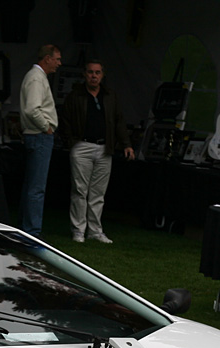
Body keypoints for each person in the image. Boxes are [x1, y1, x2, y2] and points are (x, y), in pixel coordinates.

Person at [61, 58, 134, 243]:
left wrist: (126, 144)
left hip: (104, 147)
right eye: (91, 72)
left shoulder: (110, 96)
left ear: (102, 75)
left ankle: (95, 231)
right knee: (80, 190)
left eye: (97, 72)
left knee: (98, 192)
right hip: (82, 145)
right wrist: (71, 143)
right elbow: (65, 120)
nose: (94, 76)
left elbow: (119, 121)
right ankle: (78, 230)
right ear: (85, 74)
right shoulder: (75, 96)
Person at [18, 44, 61, 237]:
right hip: (39, 135)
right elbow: (32, 109)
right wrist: (47, 127)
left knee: (31, 186)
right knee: (36, 187)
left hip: (35, 135)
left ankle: (25, 228)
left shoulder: (36, 77)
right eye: (57, 59)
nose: (59, 63)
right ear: (47, 59)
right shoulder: (37, 78)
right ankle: (32, 231)